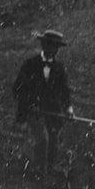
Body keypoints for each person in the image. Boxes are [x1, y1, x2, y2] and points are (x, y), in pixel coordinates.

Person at [13, 29, 74, 175]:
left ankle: (50, 171)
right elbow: (17, 88)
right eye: (50, 46)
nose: (53, 50)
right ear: (43, 46)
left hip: (53, 111)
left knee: (53, 141)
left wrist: (68, 108)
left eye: (56, 47)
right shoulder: (30, 65)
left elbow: (64, 91)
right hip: (33, 111)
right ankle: (39, 171)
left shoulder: (59, 68)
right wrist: (28, 104)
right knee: (42, 139)